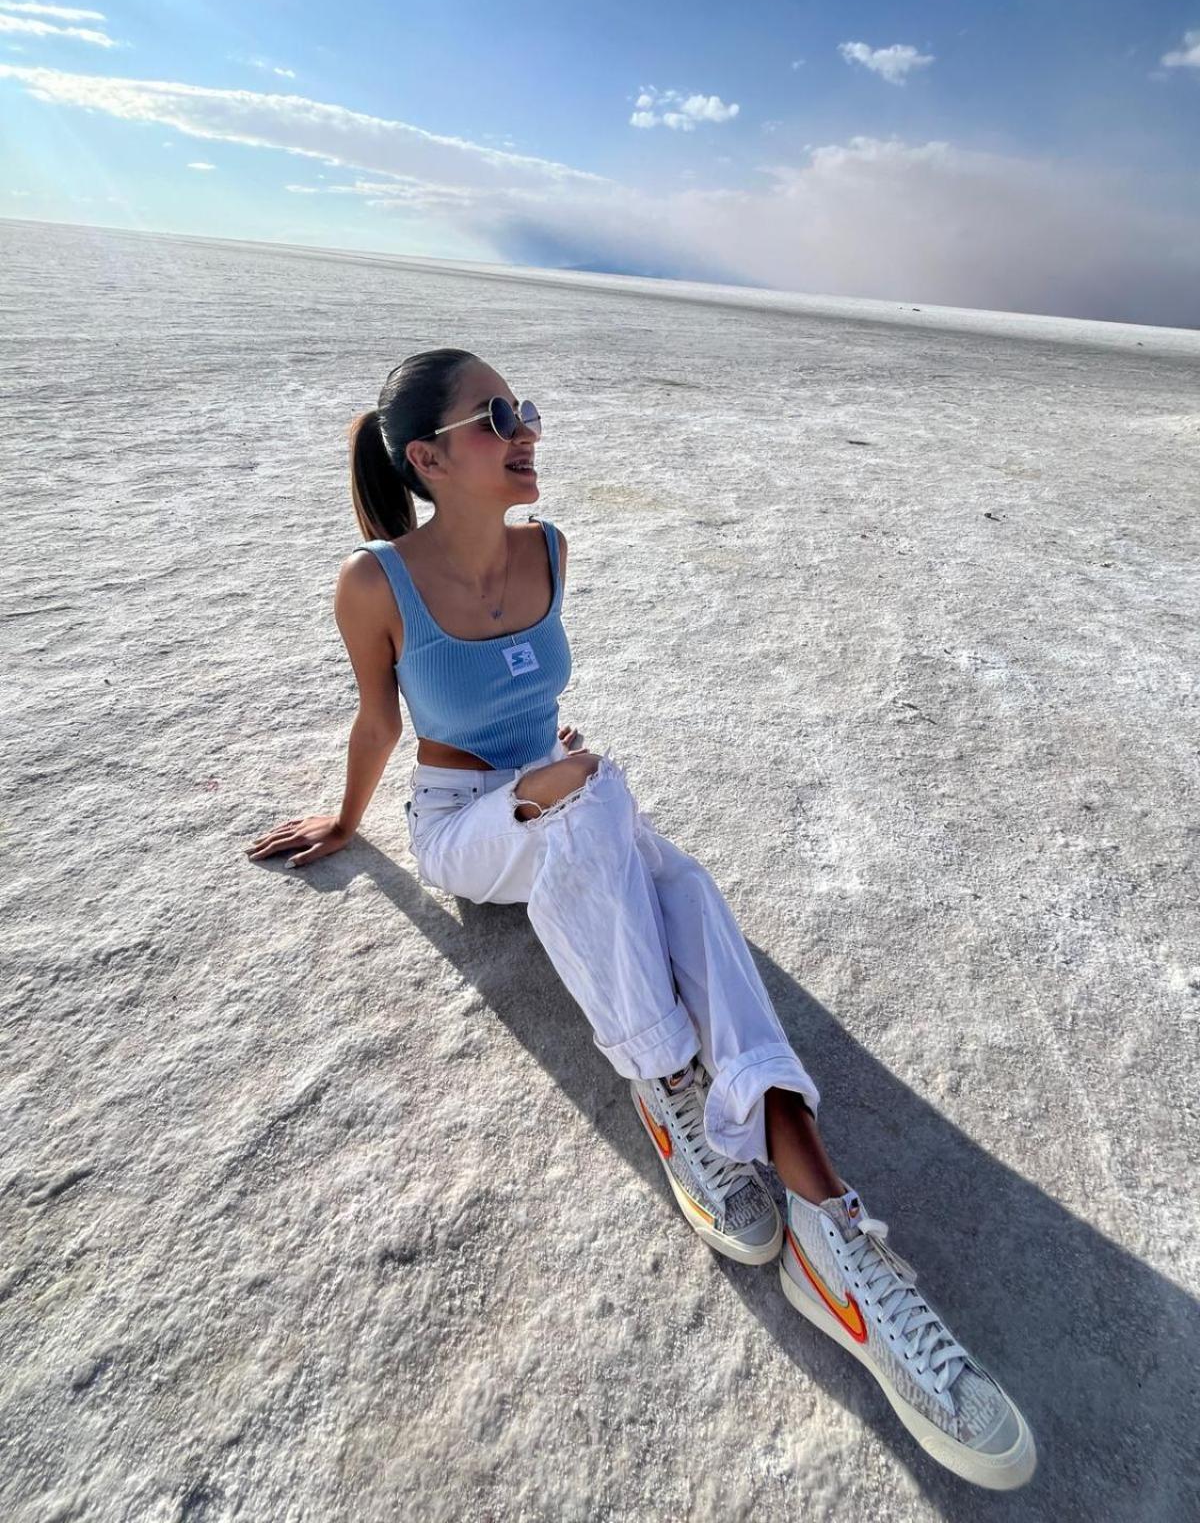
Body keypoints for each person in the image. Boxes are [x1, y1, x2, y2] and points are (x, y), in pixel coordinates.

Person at [245, 348, 1036, 1491]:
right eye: (494, 416)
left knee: (683, 887)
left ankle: (828, 1228)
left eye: (524, 408)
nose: (524, 429)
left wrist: (566, 780)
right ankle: (666, 1084)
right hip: (470, 821)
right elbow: (379, 722)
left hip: (570, 801)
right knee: (593, 800)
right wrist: (347, 816)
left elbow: (552, 732)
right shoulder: (376, 582)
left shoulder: (549, 549)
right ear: (426, 458)